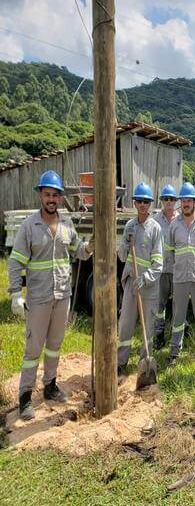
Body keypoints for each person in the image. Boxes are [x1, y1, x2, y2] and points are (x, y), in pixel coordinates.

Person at [8, 170, 94, 420]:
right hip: (39, 297)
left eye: (55, 195)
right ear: (41, 196)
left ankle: (50, 386)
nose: (51, 199)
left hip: (62, 294)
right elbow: (16, 262)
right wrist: (15, 293)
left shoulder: (67, 223)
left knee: (55, 345)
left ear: (60, 198)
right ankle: (25, 396)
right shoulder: (29, 226)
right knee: (33, 347)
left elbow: (78, 250)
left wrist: (89, 246)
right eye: (47, 194)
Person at [117, 182, 163, 374]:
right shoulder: (129, 226)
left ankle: (145, 364)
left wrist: (144, 278)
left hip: (148, 287)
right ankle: (121, 362)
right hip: (130, 284)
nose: (143, 205)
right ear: (134, 203)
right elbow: (120, 256)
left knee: (148, 329)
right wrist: (126, 242)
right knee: (126, 324)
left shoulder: (155, 229)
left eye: (146, 201)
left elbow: (159, 263)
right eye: (140, 201)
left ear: (150, 204)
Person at [166, 182, 195, 364]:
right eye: (183, 200)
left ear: (194, 202)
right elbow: (169, 251)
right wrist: (178, 267)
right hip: (180, 277)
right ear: (180, 203)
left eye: (189, 200)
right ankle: (175, 352)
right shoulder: (174, 225)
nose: (186, 203)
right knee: (178, 316)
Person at [152, 184, 178, 350]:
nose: (169, 202)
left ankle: (178, 334)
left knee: (179, 304)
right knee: (159, 306)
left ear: (176, 201)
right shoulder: (155, 221)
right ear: (161, 201)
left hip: (177, 270)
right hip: (161, 271)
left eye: (172, 199)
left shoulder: (181, 220)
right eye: (166, 199)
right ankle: (159, 335)